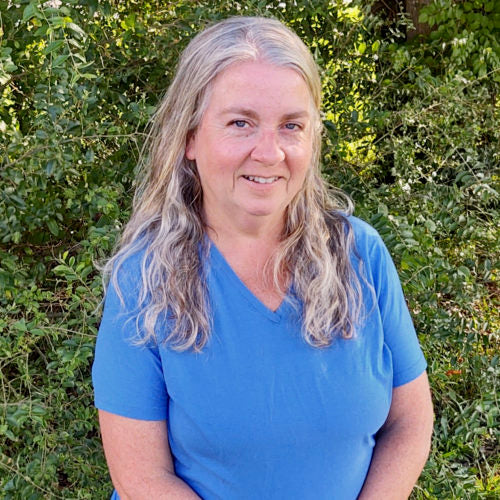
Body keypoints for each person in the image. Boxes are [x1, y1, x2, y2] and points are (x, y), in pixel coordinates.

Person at [92, 16, 434, 500]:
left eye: (291, 125)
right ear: (189, 137)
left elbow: (411, 420)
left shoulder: (360, 255)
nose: (270, 152)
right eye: (240, 123)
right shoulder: (145, 279)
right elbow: (142, 478)